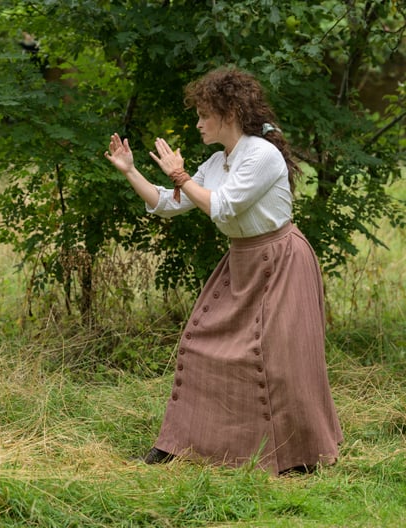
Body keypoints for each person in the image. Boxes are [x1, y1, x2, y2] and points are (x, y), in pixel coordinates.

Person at [104, 67, 342, 475]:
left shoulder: (262, 155)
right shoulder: (217, 161)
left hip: (281, 260)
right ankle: (180, 444)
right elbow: (170, 203)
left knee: (281, 361)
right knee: (199, 345)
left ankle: (297, 456)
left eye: (203, 114)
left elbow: (222, 206)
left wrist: (179, 174)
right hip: (242, 260)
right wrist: (131, 171)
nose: (197, 123)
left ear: (229, 113)